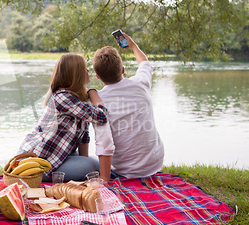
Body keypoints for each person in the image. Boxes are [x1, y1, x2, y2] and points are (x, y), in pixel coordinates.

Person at [17, 54, 108, 182]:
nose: (88, 71)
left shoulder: (79, 98)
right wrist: (92, 92)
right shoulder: (62, 97)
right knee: (91, 167)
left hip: (58, 154)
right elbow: (102, 116)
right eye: (84, 68)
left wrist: (84, 160)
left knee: (98, 166)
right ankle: (39, 176)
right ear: (76, 74)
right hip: (38, 161)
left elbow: (84, 137)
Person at [92, 32, 164, 182]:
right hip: (154, 165)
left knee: (87, 163)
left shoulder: (97, 101)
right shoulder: (141, 84)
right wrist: (133, 46)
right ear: (123, 69)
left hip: (123, 171)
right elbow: (144, 63)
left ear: (97, 77)